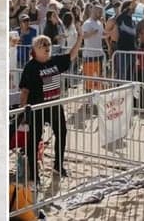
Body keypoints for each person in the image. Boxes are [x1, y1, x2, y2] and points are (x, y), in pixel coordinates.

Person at [19, 31, 84, 182]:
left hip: (54, 106)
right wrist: (23, 112)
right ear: (35, 50)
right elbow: (24, 91)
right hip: (37, 108)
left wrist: (80, 38)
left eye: (48, 44)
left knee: (62, 133)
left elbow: (71, 55)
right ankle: (34, 175)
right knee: (33, 141)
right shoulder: (31, 67)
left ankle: (58, 166)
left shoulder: (54, 61)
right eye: (42, 45)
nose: (47, 47)